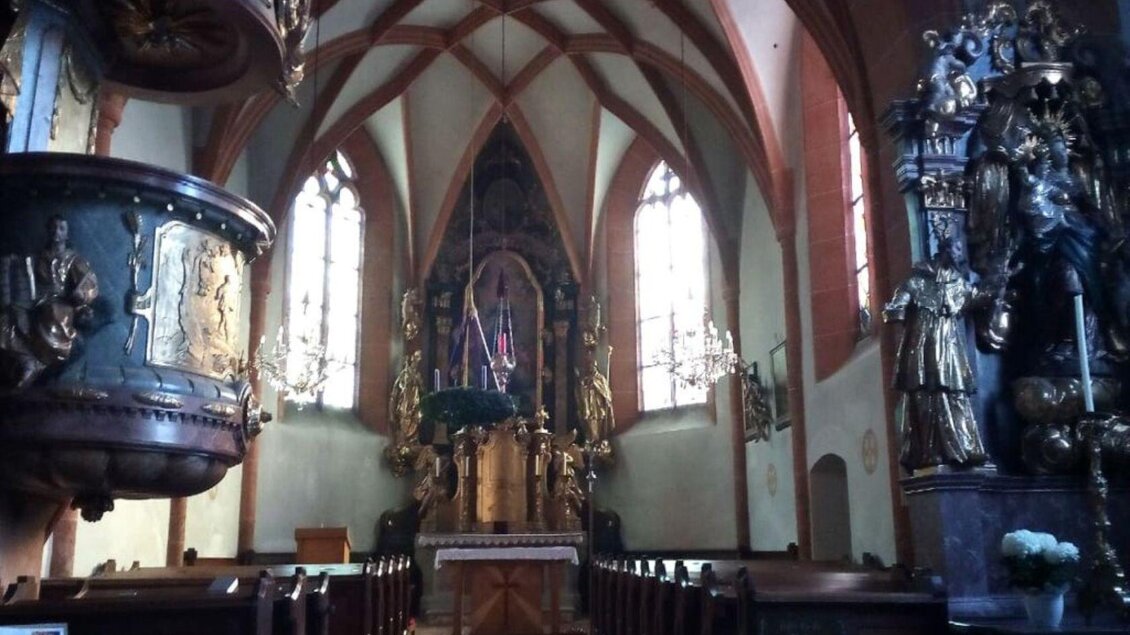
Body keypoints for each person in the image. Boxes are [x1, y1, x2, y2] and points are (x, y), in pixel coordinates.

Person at [883, 220, 995, 471]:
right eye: (956, 249)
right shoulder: (916, 281)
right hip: (922, 347)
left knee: (954, 393)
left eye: (960, 250)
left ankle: (964, 447)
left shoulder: (959, 285)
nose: (959, 255)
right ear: (945, 249)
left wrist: (1001, 277)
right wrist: (894, 310)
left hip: (950, 349)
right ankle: (929, 450)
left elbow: (981, 297)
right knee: (924, 397)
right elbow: (896, 307)